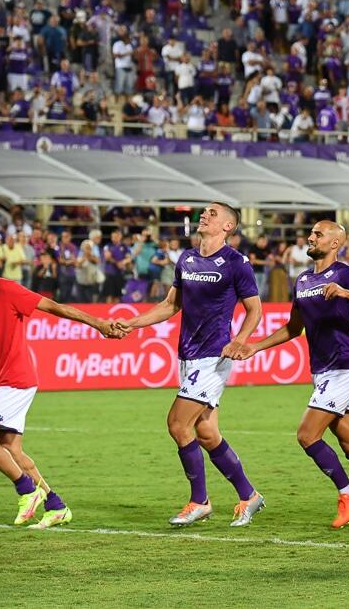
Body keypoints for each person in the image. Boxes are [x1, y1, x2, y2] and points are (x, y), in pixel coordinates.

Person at [233, 221, 349, 530]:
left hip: (344, 366)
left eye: (318, 234)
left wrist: (346, 293)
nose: (311, 238)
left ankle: (347, 493)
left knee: (307, 435)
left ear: (336, 243)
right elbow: (293, 328)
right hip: (322, 370)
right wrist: (255, 347)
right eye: (310, 234)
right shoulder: (301, 280)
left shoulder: (346, 274)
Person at [116, 203, 267, 527]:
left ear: (228, 226)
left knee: (177, 424)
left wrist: (239, 340)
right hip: (186, 355)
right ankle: (249, 495)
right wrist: (134, 323)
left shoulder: (236, 263)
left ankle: (200, 501)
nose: (204, 215)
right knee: (207, 433)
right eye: (205, 212)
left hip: (214, 357)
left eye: (213, 213)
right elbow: (171, 304)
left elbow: (255, 310)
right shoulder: (186, 259)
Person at [0, 237, 125, 529]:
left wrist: (98, 323)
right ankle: (55, 505)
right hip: (2, 380)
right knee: (11, 448)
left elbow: (56, 308)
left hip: (16, 378)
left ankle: (26, 490)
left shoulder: (6, 289)